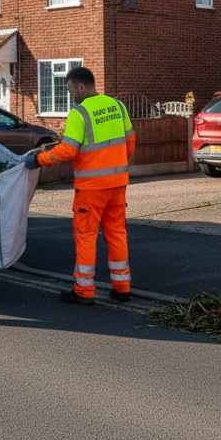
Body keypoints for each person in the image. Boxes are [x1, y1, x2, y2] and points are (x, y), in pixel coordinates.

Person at [24, 67, 135, 305]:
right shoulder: (117, 106)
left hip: (91, 188)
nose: (71, 94)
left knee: (86, 236)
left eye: (71, 89)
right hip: (118, 184)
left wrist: (39, 160)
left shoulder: (80, 113)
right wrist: (117, 163)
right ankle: (122, 288)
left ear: (81, 87)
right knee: (117, 234)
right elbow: (130, 141)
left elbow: (67, 151)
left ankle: (84, 291)